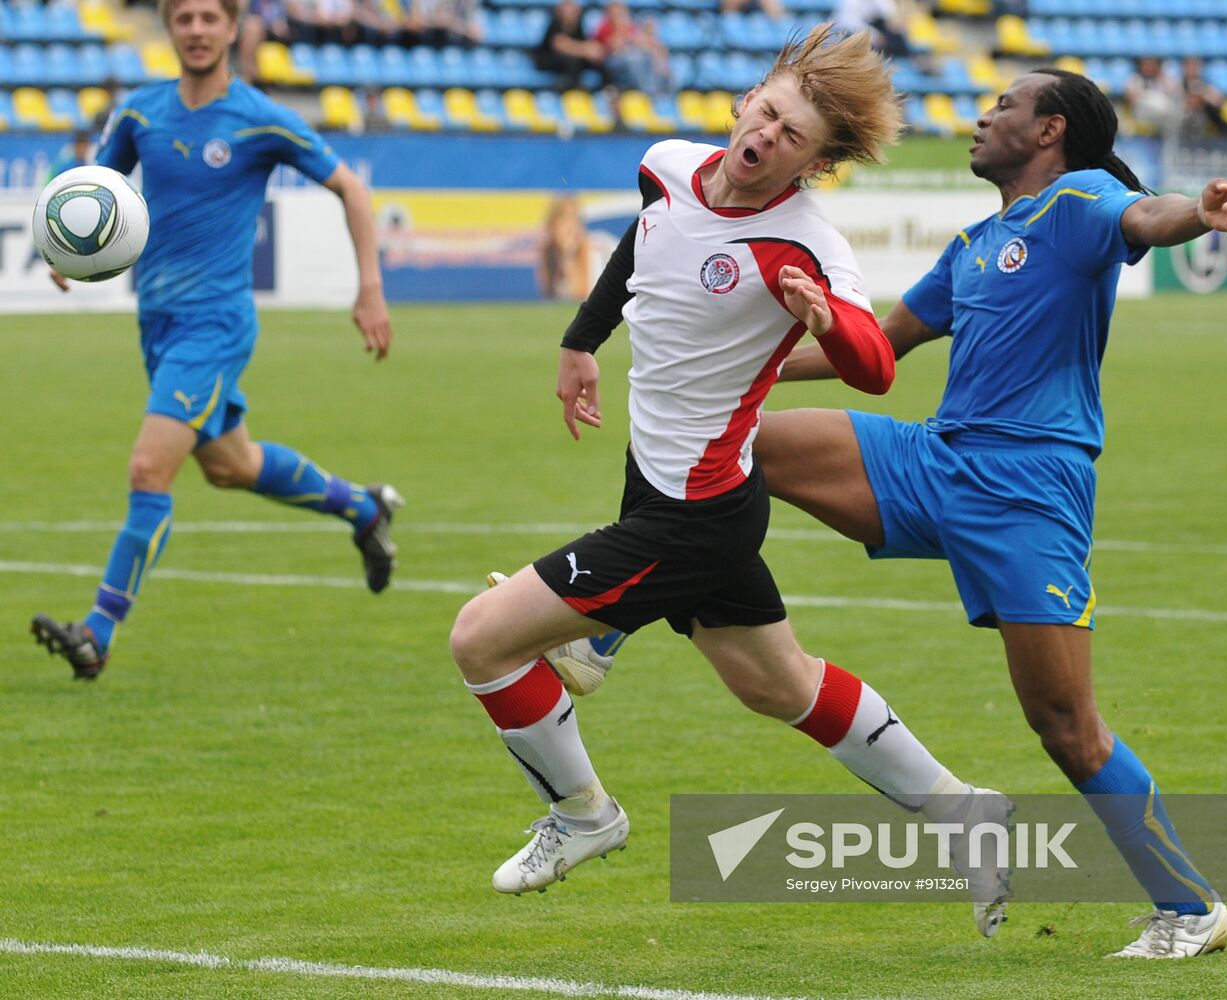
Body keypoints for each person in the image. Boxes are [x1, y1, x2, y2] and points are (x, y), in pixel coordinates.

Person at [578, 67, 1227, 959]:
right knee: (748, 443)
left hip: (1027, 492)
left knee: (1064, 726)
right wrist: (727, 363)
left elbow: (1146, 216)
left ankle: (1191, 906)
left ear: (1049, 131)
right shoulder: (973, 244)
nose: (984, 114)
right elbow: (877, 347)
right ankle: (601, 629)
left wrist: (1197, 213)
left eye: (1004, 104)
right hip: (936, 458)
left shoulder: (1080, 200)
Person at [449, 25, 1014, 937]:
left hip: (695, 514)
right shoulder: (668, 164)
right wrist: (581, 342)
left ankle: (584, 815)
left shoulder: (802, 243)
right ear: (749, 98)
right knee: (778, 685)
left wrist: (826, 319)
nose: (768, 137)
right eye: (770, 113)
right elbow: (642, 246)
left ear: (815, 163)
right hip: (666, 488)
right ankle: (962, 811)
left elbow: (875, 367)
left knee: (481, 640)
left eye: (794, 138)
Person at [31, 0, 401, 681]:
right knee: (232, 465)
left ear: (233, 27)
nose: (197, 30)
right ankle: (362, 505)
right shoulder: (142, 112)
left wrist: (369, 285)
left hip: (217, 323)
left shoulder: (260, 118)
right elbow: (99, 189)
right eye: (184, 18)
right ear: (170, 28)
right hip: (159, 324)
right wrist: (63, 249)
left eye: (210, 17)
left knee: (149, 470)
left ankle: (97, 632)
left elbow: (350, 188)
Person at [532, 0, 604, 91]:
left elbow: (584, 43)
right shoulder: (555, 24)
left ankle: (608, 87)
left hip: (569, 60)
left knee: (596, 61)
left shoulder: (578, 26)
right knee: (572, 60)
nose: (572, 12)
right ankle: (573, 87)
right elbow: (559, 45)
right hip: (549, 59)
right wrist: (584, 50)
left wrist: (586, 50)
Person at [1123, 56, 1180, 136]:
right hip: (1142, 116)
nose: (1148, 68)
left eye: (1151, 65)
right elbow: (1130, 98)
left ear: (1157, 66)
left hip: (1164, 119)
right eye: (1145, 65)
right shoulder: (1135, 79)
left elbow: (1175, 94)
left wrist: (1162, 77)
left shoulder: (1165, 79)